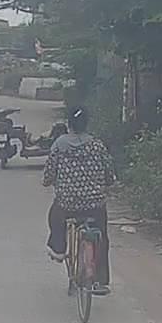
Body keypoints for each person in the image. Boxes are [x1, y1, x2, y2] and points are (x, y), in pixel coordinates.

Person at [42, 106, 116, 296]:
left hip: (67, 204)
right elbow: (109, 174)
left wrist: (48, 181)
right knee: (102, 236)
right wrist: (106, 183)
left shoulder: (59, 145)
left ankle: (59, 248)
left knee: (55, 216)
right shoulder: (97, 145)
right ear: (86, 124)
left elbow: (49, 174)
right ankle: (100, 279)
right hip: (95, 205)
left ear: (70, 124)